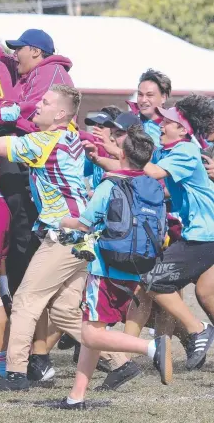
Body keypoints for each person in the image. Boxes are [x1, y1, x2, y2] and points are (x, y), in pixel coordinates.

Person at [0, 84, 89, 391]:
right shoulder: (70, 135)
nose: (38, 105)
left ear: (60, 113)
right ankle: (125, 359)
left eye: (46, 102)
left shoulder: (43, 142)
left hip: (63, 236)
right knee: (63, 311)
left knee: (24, 300)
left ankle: (14, 375)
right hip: (81, 236)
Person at [90, 95, 214, 370]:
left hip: (205, 234)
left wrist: (119, 145)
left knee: (154, 280)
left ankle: (197, 329)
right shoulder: (174, 150)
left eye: (168, 121)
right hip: (198, 232)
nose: (162, 125)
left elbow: (151, 171)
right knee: (194, 292)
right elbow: (136, 171)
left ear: (183, 129)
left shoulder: (185, 151)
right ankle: (126, 358)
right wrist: (103, 156)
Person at [56, 125, 171, 410]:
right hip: (134, 267)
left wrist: (61, 221)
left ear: (121, 152)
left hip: (105, 268)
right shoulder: (153, 185)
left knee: (91, 334)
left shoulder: (110, 185)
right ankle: (76, 397)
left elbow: (83, 223)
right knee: (94, 329)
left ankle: (153, 348)